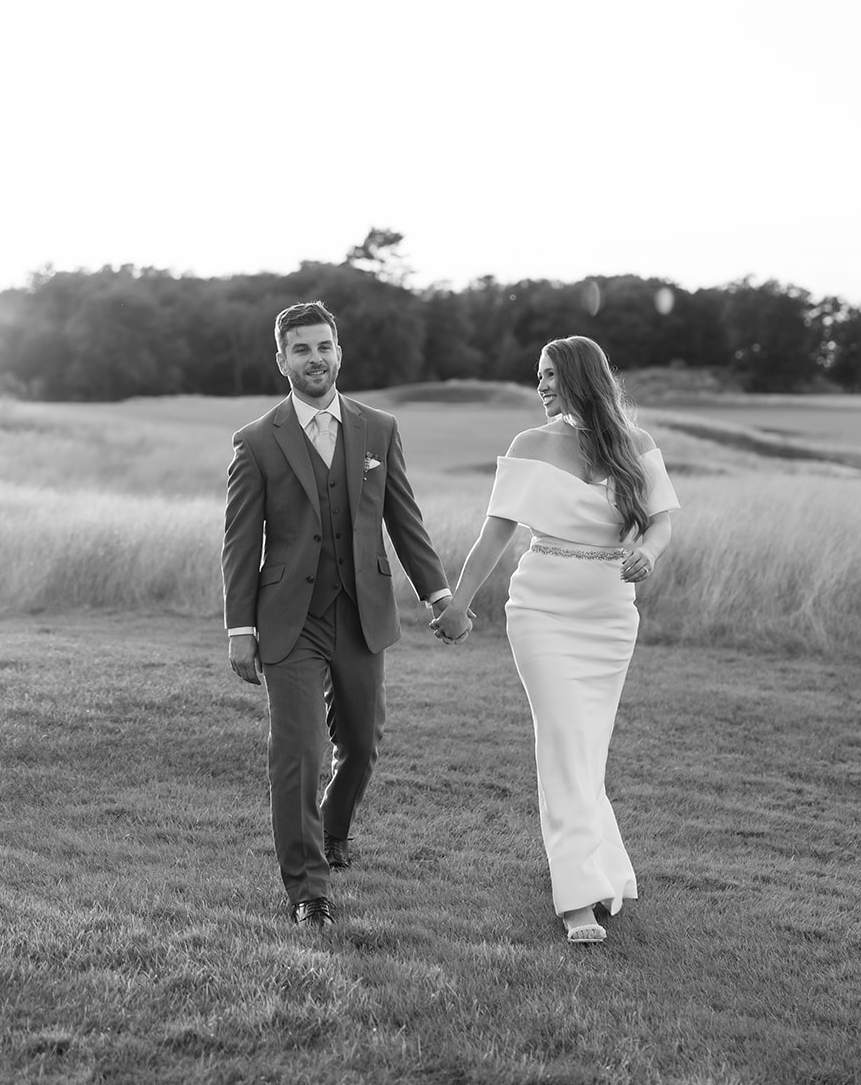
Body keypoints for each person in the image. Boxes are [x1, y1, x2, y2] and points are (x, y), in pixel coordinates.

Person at [433, 335, 680, 943]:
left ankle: (604, 868)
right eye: (536, 375)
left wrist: (646, 553)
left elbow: (662, 521)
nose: (540, 385)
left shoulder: (634, 444)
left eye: (549, 375)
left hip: (610, 616)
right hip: (541, 610)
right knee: (565, 740)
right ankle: (576, 896)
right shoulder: (529, 446)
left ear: (580, 377)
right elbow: (495, 535)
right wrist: (458, 603)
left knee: (586, 750)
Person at [222, 300, 454, 931]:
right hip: (288, 620)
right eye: (300, 349)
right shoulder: (256, 441)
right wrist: (240, 631)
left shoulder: (377, 429)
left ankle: (336, 827)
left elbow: (404, 521)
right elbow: (241, 545)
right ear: (282, 361)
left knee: (360, 742)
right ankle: (307, 890)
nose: (314, 358)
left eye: (323, 346)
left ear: (338, 353)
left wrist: (438, 595)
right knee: (298, 751)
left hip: (361, 613)